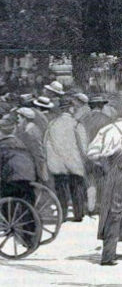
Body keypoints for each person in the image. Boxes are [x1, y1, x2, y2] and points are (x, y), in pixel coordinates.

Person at [0, 126, 38, 246]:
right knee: (28, 206)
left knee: (6, 201)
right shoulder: (21, 142)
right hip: (28, 177)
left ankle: (9, 227)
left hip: (12, 178)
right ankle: (31, 237)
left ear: (1, 133)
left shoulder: (0, 144)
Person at [45, 99, 89, 222]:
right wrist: (84, 158)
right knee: (77, 188)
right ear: (71, 109)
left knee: (61, 190)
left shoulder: (52, 124)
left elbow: (46, 143)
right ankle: (78, 213)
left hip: (58, 164)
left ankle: (62, 214)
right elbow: (83, 145)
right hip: (74, 162)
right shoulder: (76, 124)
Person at [86, 121, 122, 265]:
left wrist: (105, 163)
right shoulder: (111, 129)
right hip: (117, 171)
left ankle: (108, 254)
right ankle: (108, 255)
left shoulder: (109, 129)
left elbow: (92, 153)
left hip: (115, 172)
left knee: (113, 212)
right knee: (114, 212)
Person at [15, 107, 50, 188]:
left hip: (34, 166)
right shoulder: (30, 129)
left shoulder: (30, 133)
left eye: (19, 118)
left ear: (25, 119)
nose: (17, 120)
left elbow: (38, 153)